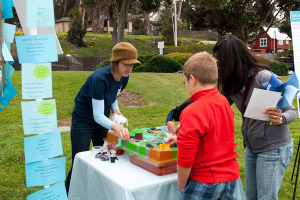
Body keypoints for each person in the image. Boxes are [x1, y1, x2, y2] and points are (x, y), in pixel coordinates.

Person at [212, 34, 296, 200]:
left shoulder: (264, 77)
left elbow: (291, 111)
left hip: (273, 148)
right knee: (250, 196)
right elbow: (216, 106)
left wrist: (280, 118)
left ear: (231, 60)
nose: (217, 66)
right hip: (252, 148)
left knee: (265, 197)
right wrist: (184, 115)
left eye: (219, 61)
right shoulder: (234, 81)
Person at [65, 42, 141, 193]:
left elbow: (113, 94)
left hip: (102, 122)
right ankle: (68, 193)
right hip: (83, 122)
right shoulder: (99, 78)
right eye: (126, 64)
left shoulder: (124, 77)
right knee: (79, 161)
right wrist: (116, 126)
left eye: (132, 64)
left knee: (104, 158)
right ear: (116, 62)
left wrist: (116, 110)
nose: (130, 68)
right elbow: (97, 115)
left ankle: (96, 192)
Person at [169, 52, 240, 199]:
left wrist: (181, 185)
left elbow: (185, 158)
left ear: (192, 80)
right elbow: (215, 135)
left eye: (186, 81)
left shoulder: (192, 111)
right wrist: (180, 139)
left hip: (204, 180)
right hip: (230, 177)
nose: (186, 85)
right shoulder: (224, 103)